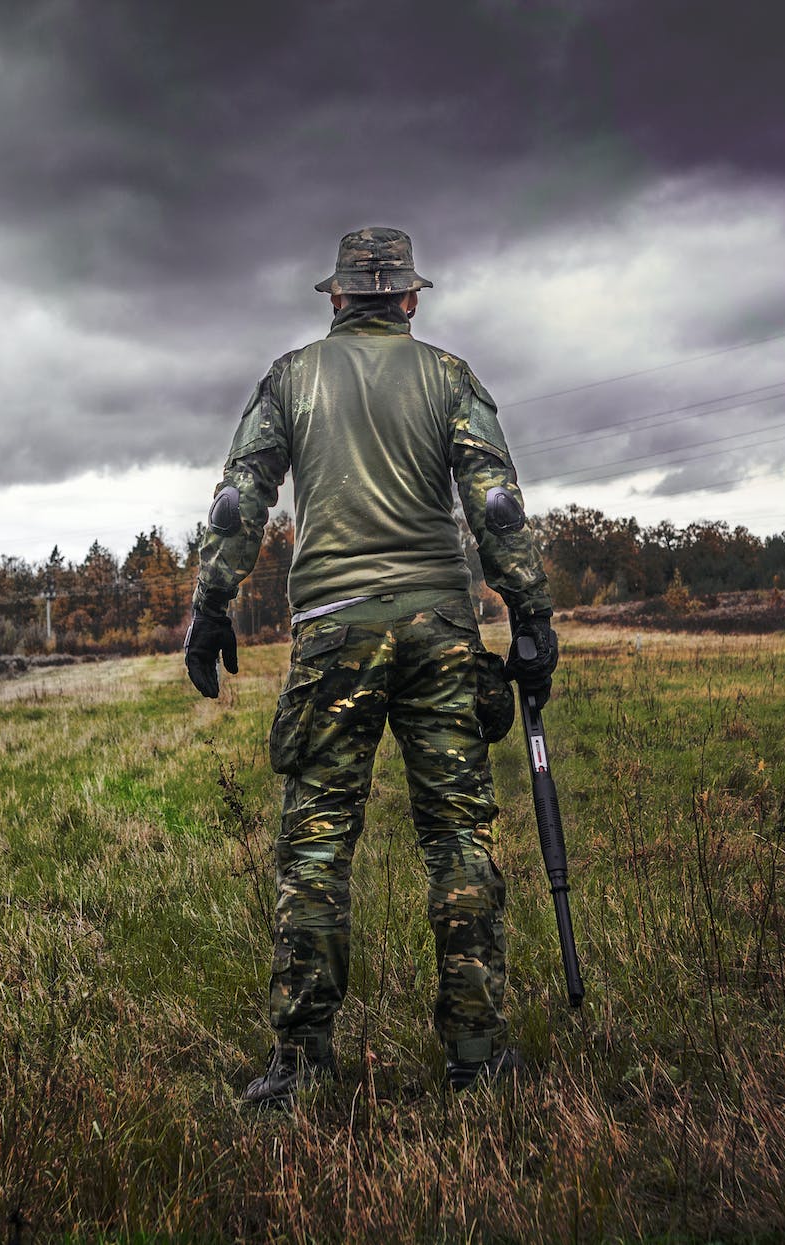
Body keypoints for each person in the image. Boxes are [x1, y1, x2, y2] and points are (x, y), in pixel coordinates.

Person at [184, 226, 559, 1107]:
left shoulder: (290, 378)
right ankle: (476, 1053)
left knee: (316, 845)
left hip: (332, 631)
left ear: (338, 298)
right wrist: (530, 613)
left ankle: (301, 1066)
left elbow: (241, 496)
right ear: (411, 299)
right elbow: (495, 501)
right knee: (457, 836)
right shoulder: (450, 376)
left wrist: (211, 602)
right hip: (440, 628)